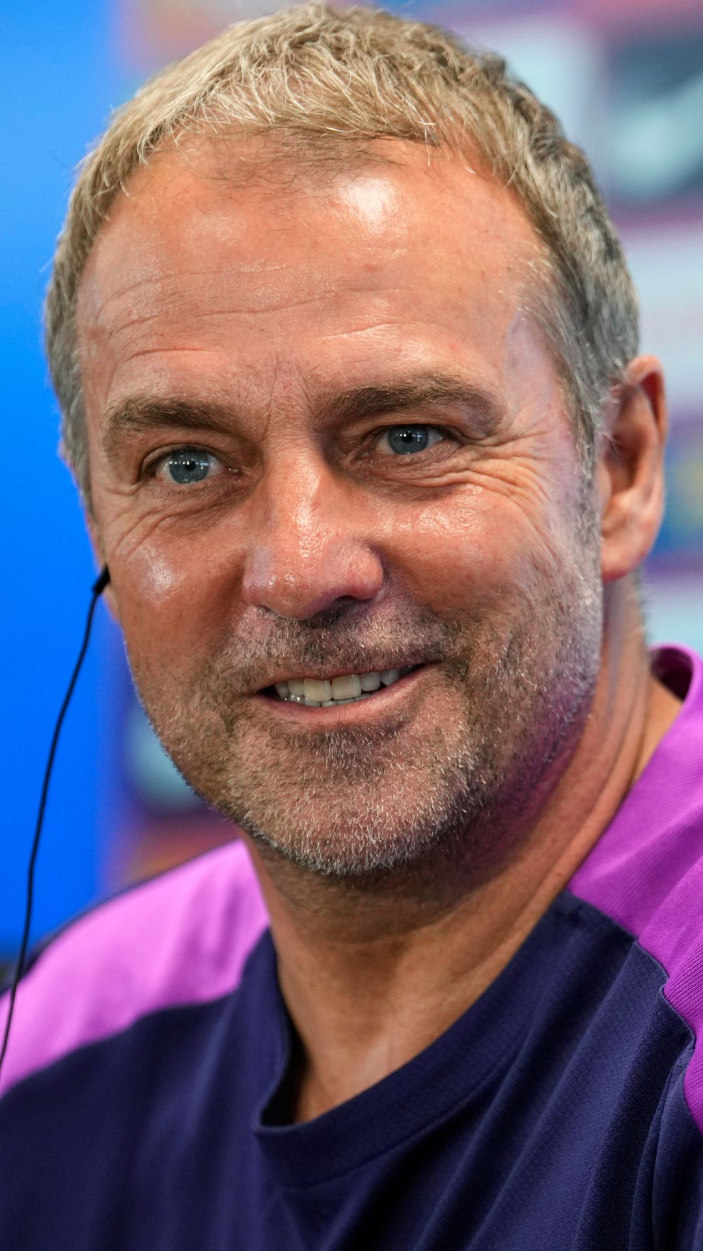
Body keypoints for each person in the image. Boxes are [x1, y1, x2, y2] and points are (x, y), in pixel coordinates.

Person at [1, 3, 701, 1247]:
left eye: (407, 437)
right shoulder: (69, 1040)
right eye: (185, 465)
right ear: (97, 518)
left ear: (621, 468)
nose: (300, 567)